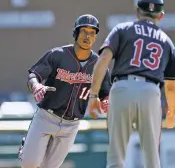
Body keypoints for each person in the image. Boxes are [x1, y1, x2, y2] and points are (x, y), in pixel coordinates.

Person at [88, 0, 175, 168]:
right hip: (150, 91)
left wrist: (94, 95)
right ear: (160, 16)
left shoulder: (122, 29)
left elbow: (104, 59)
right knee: (152, 158)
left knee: (116, 156)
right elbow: (171, 85)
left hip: (122, 88)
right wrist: (172, 111)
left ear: (138, 12)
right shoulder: (166, 41)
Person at [18, 14, 111, 168]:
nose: (88, 36)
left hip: (71, 125)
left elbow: (106, 92)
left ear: (95, 37)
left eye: (92, 33)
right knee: (30, 164)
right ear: (76, 33)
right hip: (46, 117)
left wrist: (107, 100)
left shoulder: (99, 65)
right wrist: (36, 85)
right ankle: (25, 149)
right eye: (84, 31)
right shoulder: (58, 55)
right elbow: (34, 74)